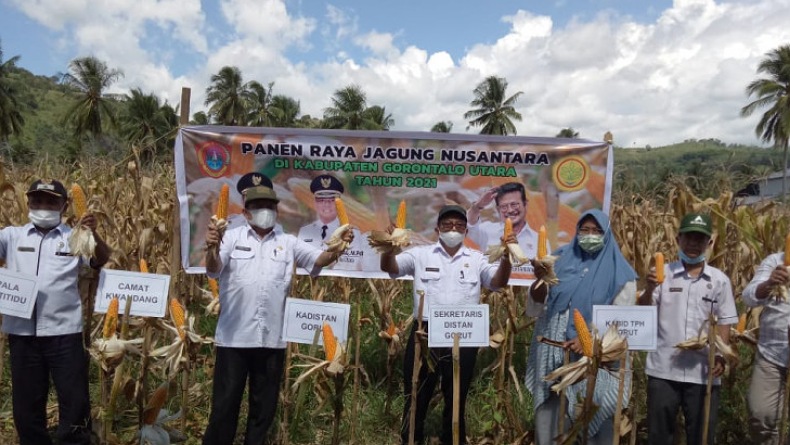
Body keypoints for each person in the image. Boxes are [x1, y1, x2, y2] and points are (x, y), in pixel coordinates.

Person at [202, 184, 353, 445]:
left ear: (277, 211)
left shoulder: (288, 242)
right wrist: (212, 248)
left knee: (263, 412)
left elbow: (319, 259)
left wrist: (340, 247)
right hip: (233, 339)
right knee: (224, 409)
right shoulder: (231, 238)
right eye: (258, 206)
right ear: (246, 212)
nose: (265, 211)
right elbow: (214, 269)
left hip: (272, 340)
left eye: (269, 206)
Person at [380, 204, 513, 445]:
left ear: (466, 231)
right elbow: (390, 268)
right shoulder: (420, 255)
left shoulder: (477, 259)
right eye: (447, 225)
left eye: (459, 225)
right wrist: (389, 248)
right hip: (426, 333)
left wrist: (506, 256)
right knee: (416, 393)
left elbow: (498, 282)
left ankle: (453, 439)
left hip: (463, 333)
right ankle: (411, 439)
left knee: (457, 396)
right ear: (437, 228)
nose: (453, 229)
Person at [0, 179, 111, 445]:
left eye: (51, 202)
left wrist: (93, 234)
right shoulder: (11, 236)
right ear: (28, 203)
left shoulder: (75, 237)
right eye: (37, 201)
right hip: (22, 332)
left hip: (64, 332)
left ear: (64, 206)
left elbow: (100, 259)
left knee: (74, 402)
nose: (43, 207)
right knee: (26, 404)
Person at [525, 209, 637, 445]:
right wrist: (539, 279)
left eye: (596, 231)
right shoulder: (558, 259)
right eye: (584, 230)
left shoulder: (621, 273)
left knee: (593, 409)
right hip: (553, 350)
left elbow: (621, 322)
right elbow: (535, 307)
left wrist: (590, 340)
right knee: (552, 409)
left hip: (595, 356)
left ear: (606, 235)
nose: (590, 235)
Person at [638, 212, 736, 445]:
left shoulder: (720, 281)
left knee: (701, 436)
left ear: (709, 243)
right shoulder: (663, 276)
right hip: (663, 371)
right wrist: (650, 289)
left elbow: (725, 321)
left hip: (703, 373)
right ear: (678, 239)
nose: (693, 244)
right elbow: (643, 311)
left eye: (699, 239)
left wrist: (720, 355)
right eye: (688, 238)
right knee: (659, 436)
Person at [742, 250, 790, 444]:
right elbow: (749, 297)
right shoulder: (775, 261)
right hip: (772, 354)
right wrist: (769, 283)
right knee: (761, 414)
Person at [466, 182, 548, 271]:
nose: (510, 210)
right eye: (504, 206)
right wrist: (478, 206)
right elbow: (467, 225)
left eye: (514, 204)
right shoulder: (487, 230)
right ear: (497, 209)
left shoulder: (539, 239)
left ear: (525, 204)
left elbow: (546, 273)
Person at [297, 174, 371, 271]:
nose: (326, 205)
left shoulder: (353, 233)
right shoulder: (305, 231)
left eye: (331, 200)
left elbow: (351, 266)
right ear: (314, 203)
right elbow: (301, 262)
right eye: (321, 200)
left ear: (339, 204)